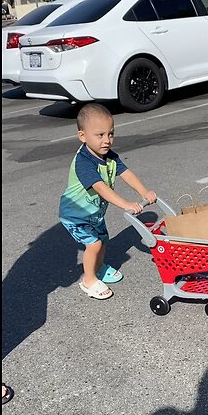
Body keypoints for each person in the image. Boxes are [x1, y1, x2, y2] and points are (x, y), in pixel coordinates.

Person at [59, 103, 156, 300]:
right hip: (75, 214)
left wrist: (144, 191)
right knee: (93, 244)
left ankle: (99, 268)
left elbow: (126, 173)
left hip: (94, 213)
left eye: (110, 134)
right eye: (100, 135)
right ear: (82, 136)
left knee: (103, 241)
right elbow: (101, 188)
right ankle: (88, 280)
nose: (107, 140)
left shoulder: (110, 156)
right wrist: (127, 204)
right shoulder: (84, 162)